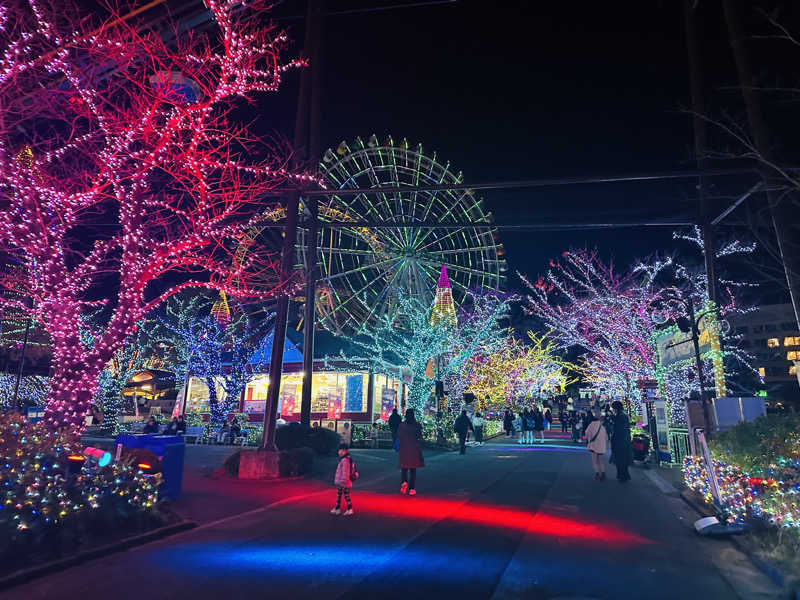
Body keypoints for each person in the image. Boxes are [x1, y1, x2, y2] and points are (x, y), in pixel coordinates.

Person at [397, 408, 424, 495]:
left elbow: (399, 435)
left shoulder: (402, 425)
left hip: (404, 448)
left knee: (404, 468)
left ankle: (404, 482)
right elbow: (419, 436)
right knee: (413, 470)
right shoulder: (417, 425)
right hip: (414, 449)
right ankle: (412, 489)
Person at [610, 400, 633, 482]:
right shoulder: (622, 415)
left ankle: (622, 476)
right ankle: (623, 475)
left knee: (620, 460)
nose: (613, 409)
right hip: (623, 441)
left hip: (620, 441)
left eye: (613, 408)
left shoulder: (621, 416)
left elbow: (619, 429)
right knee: (622, 460)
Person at [330, 443, 355, 516]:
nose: (339, 452)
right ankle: (338, 508)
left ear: (345, 451)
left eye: (340, 450)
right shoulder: (346, 459)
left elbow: (345, 472)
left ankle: (349, 509)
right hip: (344, 482)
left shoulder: (345, 460)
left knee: (345, 495)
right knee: (340, 495)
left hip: (344, 482)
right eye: (339, 450)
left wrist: (343, 482)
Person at [585, 409, 609, 480]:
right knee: (600, 460)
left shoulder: (592, 424)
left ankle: (597, 474)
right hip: (601, 445)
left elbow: (587, 433)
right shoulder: (603, 425)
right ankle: (603, 473)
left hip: (594, 445)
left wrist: (589, 438)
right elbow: (606, 437)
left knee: (595, 461)